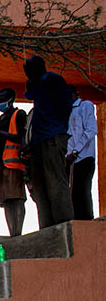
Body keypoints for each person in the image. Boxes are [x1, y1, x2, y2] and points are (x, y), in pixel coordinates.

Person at [23, 55, 75, 228]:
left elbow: (65, 106)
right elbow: (29, 94)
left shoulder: (54, 80)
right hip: (38, 140)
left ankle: (64, 223)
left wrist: (58, 127)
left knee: (56, 183)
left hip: (52, 136)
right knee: (40, 187)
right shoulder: (36, 83)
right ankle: (46, 226)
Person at [0, 88, 28, 237]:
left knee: (17, 199)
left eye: (2, 98)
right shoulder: (0, 120)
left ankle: (18, 233)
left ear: (11, 99)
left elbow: (21, 138)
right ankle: (12, 233)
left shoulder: (19, 114)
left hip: (14, 163)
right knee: (6, 201)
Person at [68, 88, 98, 220]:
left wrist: (76, 151)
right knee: (73, 193)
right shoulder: (67, 111)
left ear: (75, 93)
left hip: (84, 156)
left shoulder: (85, 105)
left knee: (83, 190)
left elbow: (91, 130)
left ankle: (86, 221)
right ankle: (77, 221)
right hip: (72, 159)